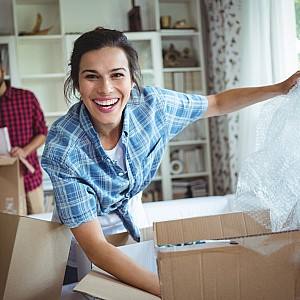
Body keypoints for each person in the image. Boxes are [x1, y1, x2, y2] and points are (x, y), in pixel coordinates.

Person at [41, 27, 300, 296]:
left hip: (134, 229)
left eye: (117, 75)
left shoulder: (154, 107)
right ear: (76, 82)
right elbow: (95, 246)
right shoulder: (64, 149)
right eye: (91, 77)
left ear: (132, 79)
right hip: (85, 246)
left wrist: (279, 88)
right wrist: (173, 290)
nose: (105, 89)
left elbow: (216, 103)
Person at [0, 59, 48, 215]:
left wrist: (24, 151)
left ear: (2, 70)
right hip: (3, 182)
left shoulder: (26, 98)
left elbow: (43, 133)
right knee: (9, 234)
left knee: (38, 228)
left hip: (30, 178)